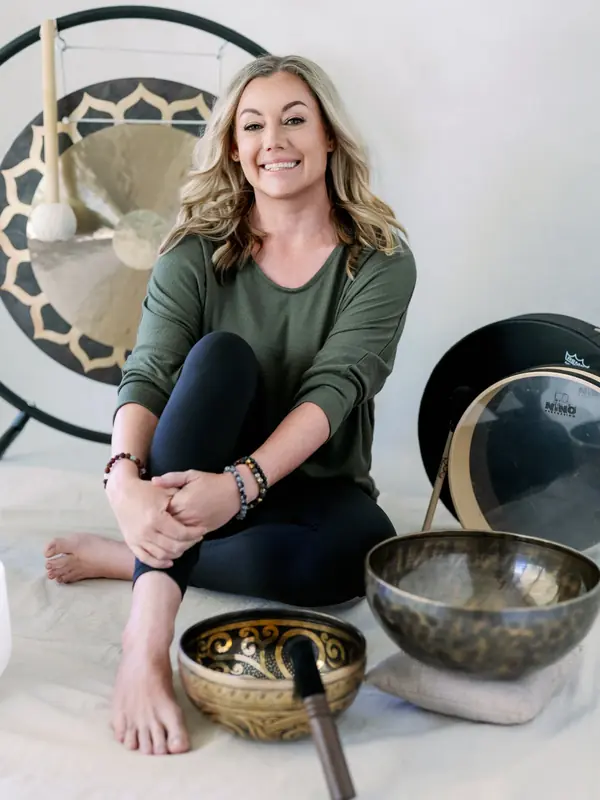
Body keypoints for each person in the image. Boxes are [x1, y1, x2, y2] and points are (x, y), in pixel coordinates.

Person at [43, 54, 417, 756]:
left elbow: (335, 388)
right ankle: (144, 645)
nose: (273, 138)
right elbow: (150, 371)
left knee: (348, 565)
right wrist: (123, 479)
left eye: (294, 119)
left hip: (309, 484)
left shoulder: (380, 258)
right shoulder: (194, 251)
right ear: (235, 149)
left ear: (329, 136)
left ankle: (129, 555)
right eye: (254, 124)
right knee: (220, 358)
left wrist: (240, 486)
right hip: (197, 465)